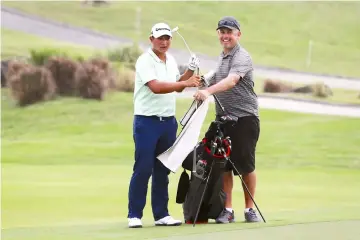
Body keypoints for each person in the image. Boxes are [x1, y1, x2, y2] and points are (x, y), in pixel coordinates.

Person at [127, 22, 201, 228]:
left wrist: (190, 71)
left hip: (168, 122)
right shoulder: (144, 61)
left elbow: (176, 85)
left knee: (163, 170)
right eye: (160, 38)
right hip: (146, 122)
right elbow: (156, 87)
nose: (164, 42)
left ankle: (161, 214)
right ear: (151, 39)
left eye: (167, 38)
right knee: (142, 169)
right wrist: (185, 83)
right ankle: (134, 215)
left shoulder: (171, 60)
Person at [193, 16, 261, 223]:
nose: (225, 36)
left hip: (245, 118)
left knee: (246, 165)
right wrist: (200, 80)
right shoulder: (222, 57)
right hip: (224, 119)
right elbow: (214, 77)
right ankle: (228, 209)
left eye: (229, 32)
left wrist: (208, 91)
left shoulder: (242, 57)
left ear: (238, 35)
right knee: (224, 166)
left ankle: (250, 210)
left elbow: (231, 81)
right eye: (222, 32)